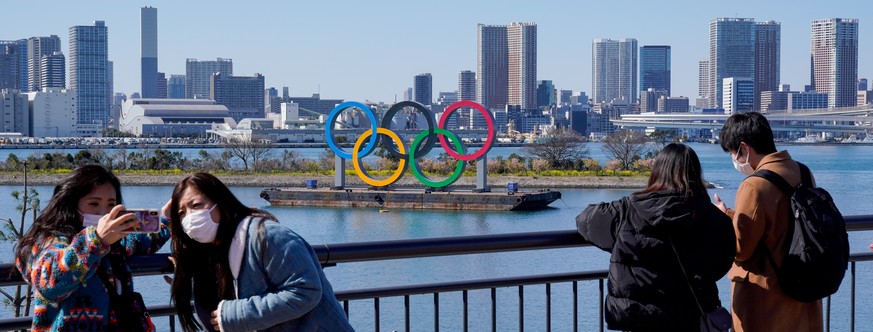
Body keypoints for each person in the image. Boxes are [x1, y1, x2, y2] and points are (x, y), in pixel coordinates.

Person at [576, 143, 736, 331]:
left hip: (640, 317)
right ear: (695, 174)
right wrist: (720, 217)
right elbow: (719, 266)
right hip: (691, 317)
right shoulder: (713, 218)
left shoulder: (627, 210)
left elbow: (585, 220)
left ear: (656, 172)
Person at [167, 173, 354, 332]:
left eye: (197, 205)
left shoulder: (267, 236)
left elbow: (306, 291)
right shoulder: (210, 252)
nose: (190, 217)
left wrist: (236, 314)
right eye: (181, 213)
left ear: (221, 202)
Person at [15, 164, 171, 331]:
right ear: (71, 204)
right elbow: (50, 282)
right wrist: (96, 240)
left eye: (111, 205)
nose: (103, 213)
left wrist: (168, 220)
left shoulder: (113, 245)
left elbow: (141, 242)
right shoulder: (51, 241)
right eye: (94, 204)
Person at [713, 112, 823, 331]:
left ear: (744, 148)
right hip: (803, 288)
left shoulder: (753, 185)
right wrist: (732, 214)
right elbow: (781, 221)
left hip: (766, 298)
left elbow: (742, 248)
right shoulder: (803, 172)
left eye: (733, 152)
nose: (734, 159)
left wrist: (722, 219)